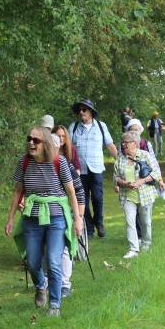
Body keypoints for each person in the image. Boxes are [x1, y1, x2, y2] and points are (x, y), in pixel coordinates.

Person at [5, 126, 82, 316]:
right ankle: (41, 285)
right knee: (32, 261)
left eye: (36, 140)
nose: (31, 142)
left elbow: (71, 191)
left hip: (56, 218)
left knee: (54, 261)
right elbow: (17, 191)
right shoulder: (23, 162)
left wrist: (78, 219)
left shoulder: (59, 162)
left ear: (45, 143)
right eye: (29, 138)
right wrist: (10, 218)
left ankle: (55, 304)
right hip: (32, 218)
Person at [68, 99, 118, 238]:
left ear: (91, 112)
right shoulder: (74, 127)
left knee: (97, 197)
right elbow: (67, 147)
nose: (81, 112)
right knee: (82, 199)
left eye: (84, 110)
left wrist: (121, 162)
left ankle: (99, 222)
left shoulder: (101, 126)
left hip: (96, 168)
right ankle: (89, 228)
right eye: (80, 110)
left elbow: (110, 145)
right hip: (79, 170)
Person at [113, 131, 161, 259]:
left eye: (126, 142)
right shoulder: (120, 159)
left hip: (145, 195)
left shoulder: (145, 155)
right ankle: (133, 249)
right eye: (122, 142)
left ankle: (146, 244)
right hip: (127, 196)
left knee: (145, 222)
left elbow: (156, 173)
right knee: (130, 222)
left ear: (134, 143)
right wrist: (124, 183)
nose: (123, 145)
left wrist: (142, 181)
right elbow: (115, 177)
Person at [50, 130, 86, 298]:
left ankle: (65, 284)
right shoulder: (36, 164)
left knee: (64, 248)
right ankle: (47, 283)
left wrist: (79, 217)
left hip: (66, 212)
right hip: (44, 213)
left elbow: (78, 192)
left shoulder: (66, 165)